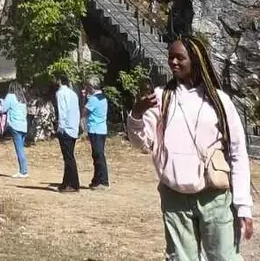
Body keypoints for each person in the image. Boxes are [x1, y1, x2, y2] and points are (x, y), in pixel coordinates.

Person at [128, 35, 254, 259]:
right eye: (170, 57)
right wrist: (137, 114)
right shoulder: (161, 98)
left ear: (195, 60)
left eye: (180, 57)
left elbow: (237, 153)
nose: (173, 62)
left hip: (214, 197)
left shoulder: (219, 101)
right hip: (174, 198)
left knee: (224, 257)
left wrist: (243, 206)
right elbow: (141, 143)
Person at [0, 81, 29, 178]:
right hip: (24, 126)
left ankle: (23, 172)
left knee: (19, 150)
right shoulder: (22, 99)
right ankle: (23, 170)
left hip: (15, 125)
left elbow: (3, 109)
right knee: (21, 149)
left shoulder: (10, 96)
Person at [55, 74, 81, 192]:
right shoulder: (73, 93)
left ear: (59, 80)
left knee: (68, 158)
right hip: (73, 128)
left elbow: (62, 111)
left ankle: (73, 184)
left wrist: (60, 128)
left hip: (65, 129)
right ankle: (66, 183)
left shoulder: (60, 93)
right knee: (68, 157)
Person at [84, 76, 109, 189]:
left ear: (91, 86)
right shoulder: (102, 97)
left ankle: (103, 181)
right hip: (101, 129)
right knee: (97, 155)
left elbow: (84, 111)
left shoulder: (93, 99)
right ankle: (97, 179)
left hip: (95, 129)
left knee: (98, 156)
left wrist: (84, 98)